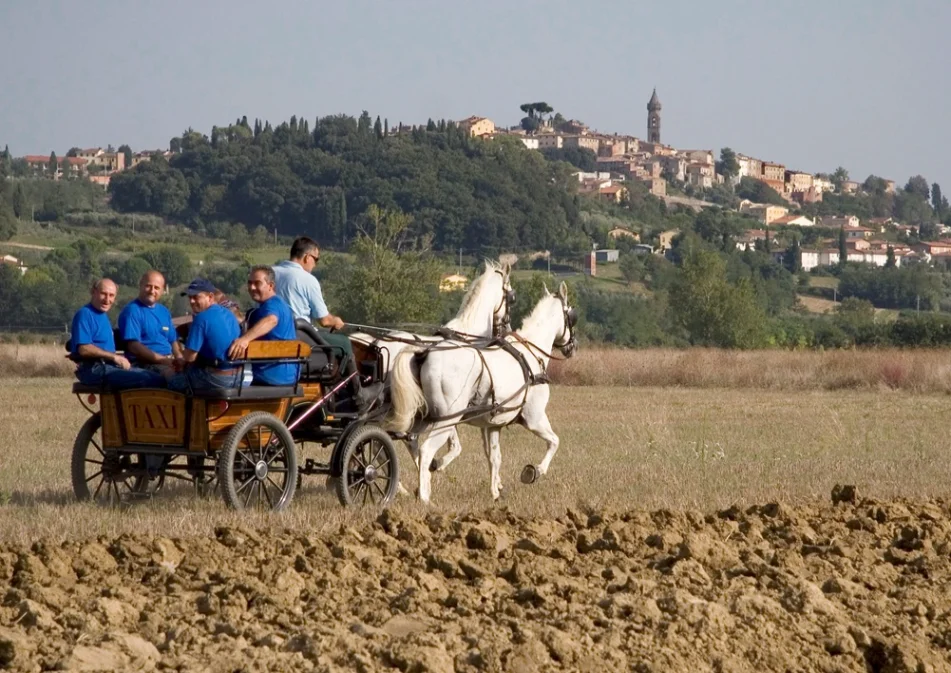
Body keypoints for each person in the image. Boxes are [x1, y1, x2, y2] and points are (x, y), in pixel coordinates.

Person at [273, 236, 382, 410]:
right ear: (307, 257)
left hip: (274, 337)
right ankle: (358, 396)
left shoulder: (272, 273)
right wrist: (336, 321)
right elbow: (324, 320)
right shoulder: (306, 279)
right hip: (300, 337)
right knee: (344, 343)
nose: (315, 265)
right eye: (316, 259)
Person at [70, 279, 166, 389]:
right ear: (93, 292)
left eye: (111, 295)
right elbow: (84, 349)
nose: (107, 300)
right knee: (150, 380)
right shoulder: (85, 314)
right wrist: (114, 357)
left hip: (109, 366)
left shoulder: (102, 315)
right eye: (103, 294)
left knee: (157, 377)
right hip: (93, 369)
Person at [227, 266, 298, 386]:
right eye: (250, 283)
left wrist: (244, 340)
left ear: (271, 285)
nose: (252, 287)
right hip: (284, 375)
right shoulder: (272, 305)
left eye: (257, 283)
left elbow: (271, 320)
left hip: (271, 375)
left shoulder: (272, 304)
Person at [167, 279, 242, 393]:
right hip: (239, 377)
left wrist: (180, 359)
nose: (192, 301)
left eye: (196, 297)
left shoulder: (201, 318)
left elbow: (190, 357)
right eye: (190, 297)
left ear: (210, 297)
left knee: (171, 379)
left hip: (217, 378)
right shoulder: (229, 314)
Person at [117, 270, 183, 378]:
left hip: (167, 361)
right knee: (177, 378)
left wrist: (179, 358)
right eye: (148, 286)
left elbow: (173, 340)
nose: (152, 291)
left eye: (156, 288)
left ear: (162, 290)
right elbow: (134, 346)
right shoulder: (132, 311)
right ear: (140, 285)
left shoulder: (164, 311)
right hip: (145, 364)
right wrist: (164, 360)